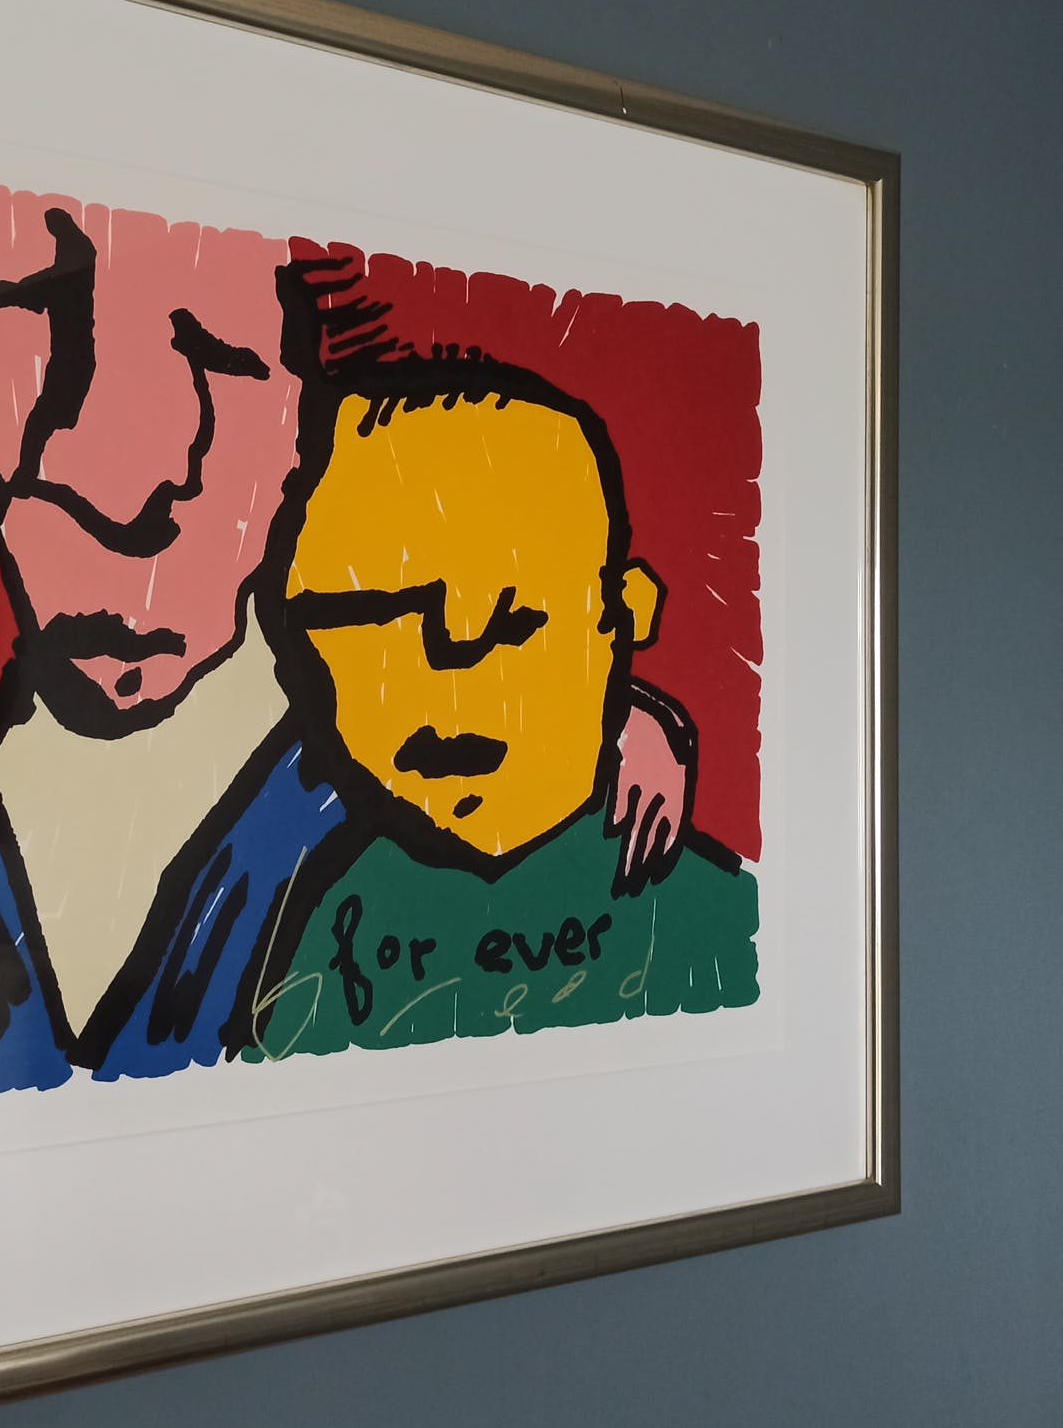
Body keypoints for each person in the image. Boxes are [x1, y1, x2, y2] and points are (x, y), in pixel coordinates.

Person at [0, 181, 697, 1126]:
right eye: (38, 335)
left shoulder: (450, 804)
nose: (121, 481)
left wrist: (587, 706)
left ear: (306, 435)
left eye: (216, 359)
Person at [237, 356, 759, 1061]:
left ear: (625, 615)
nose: (451, 676)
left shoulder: (714, 920)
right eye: (374, 614)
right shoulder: (315, 890)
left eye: (516, 621)